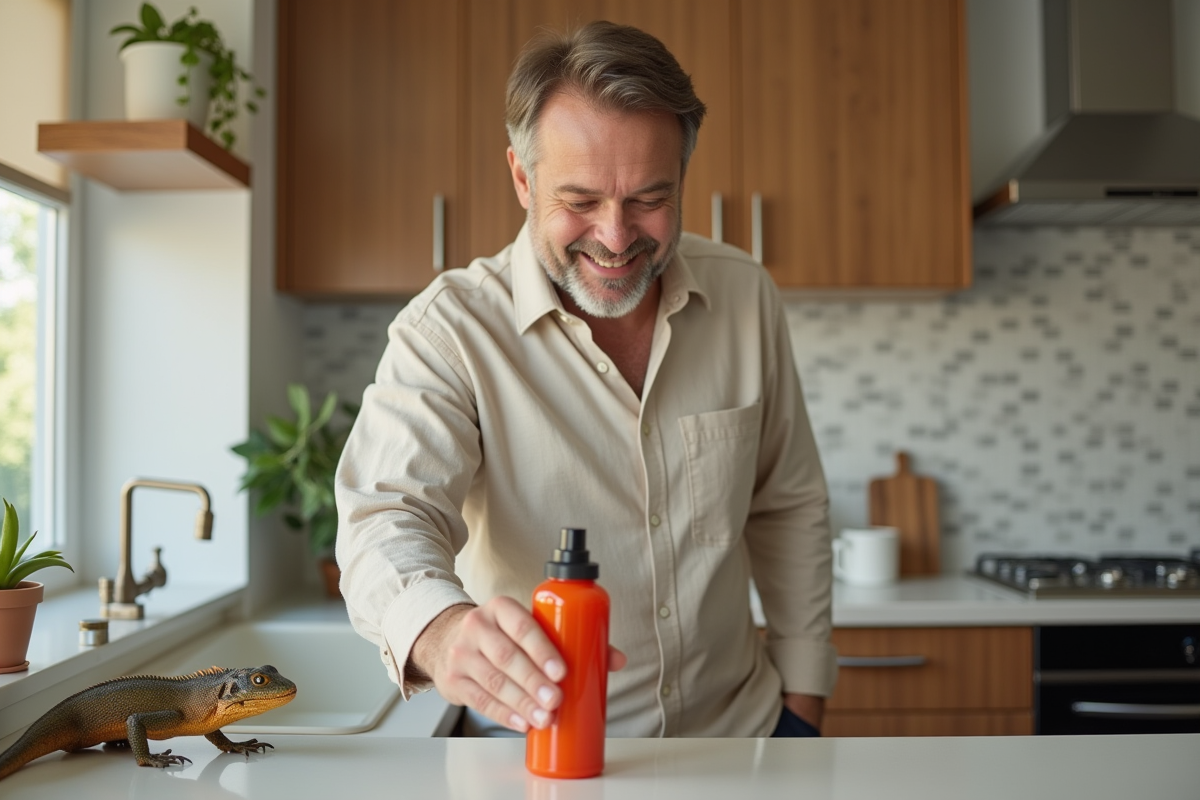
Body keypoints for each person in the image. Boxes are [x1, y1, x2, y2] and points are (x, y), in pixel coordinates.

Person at [335, 20, 836, 739]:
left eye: (649, 199)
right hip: (534, 756)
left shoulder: (745, 295)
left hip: (744, 736)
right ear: (522, 177)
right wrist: (440, 633)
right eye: (579, 202)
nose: (615, 236)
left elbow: (787, 504)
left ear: (683, 177)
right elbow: (385, 516)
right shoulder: (449, 331)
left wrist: (805, 699)